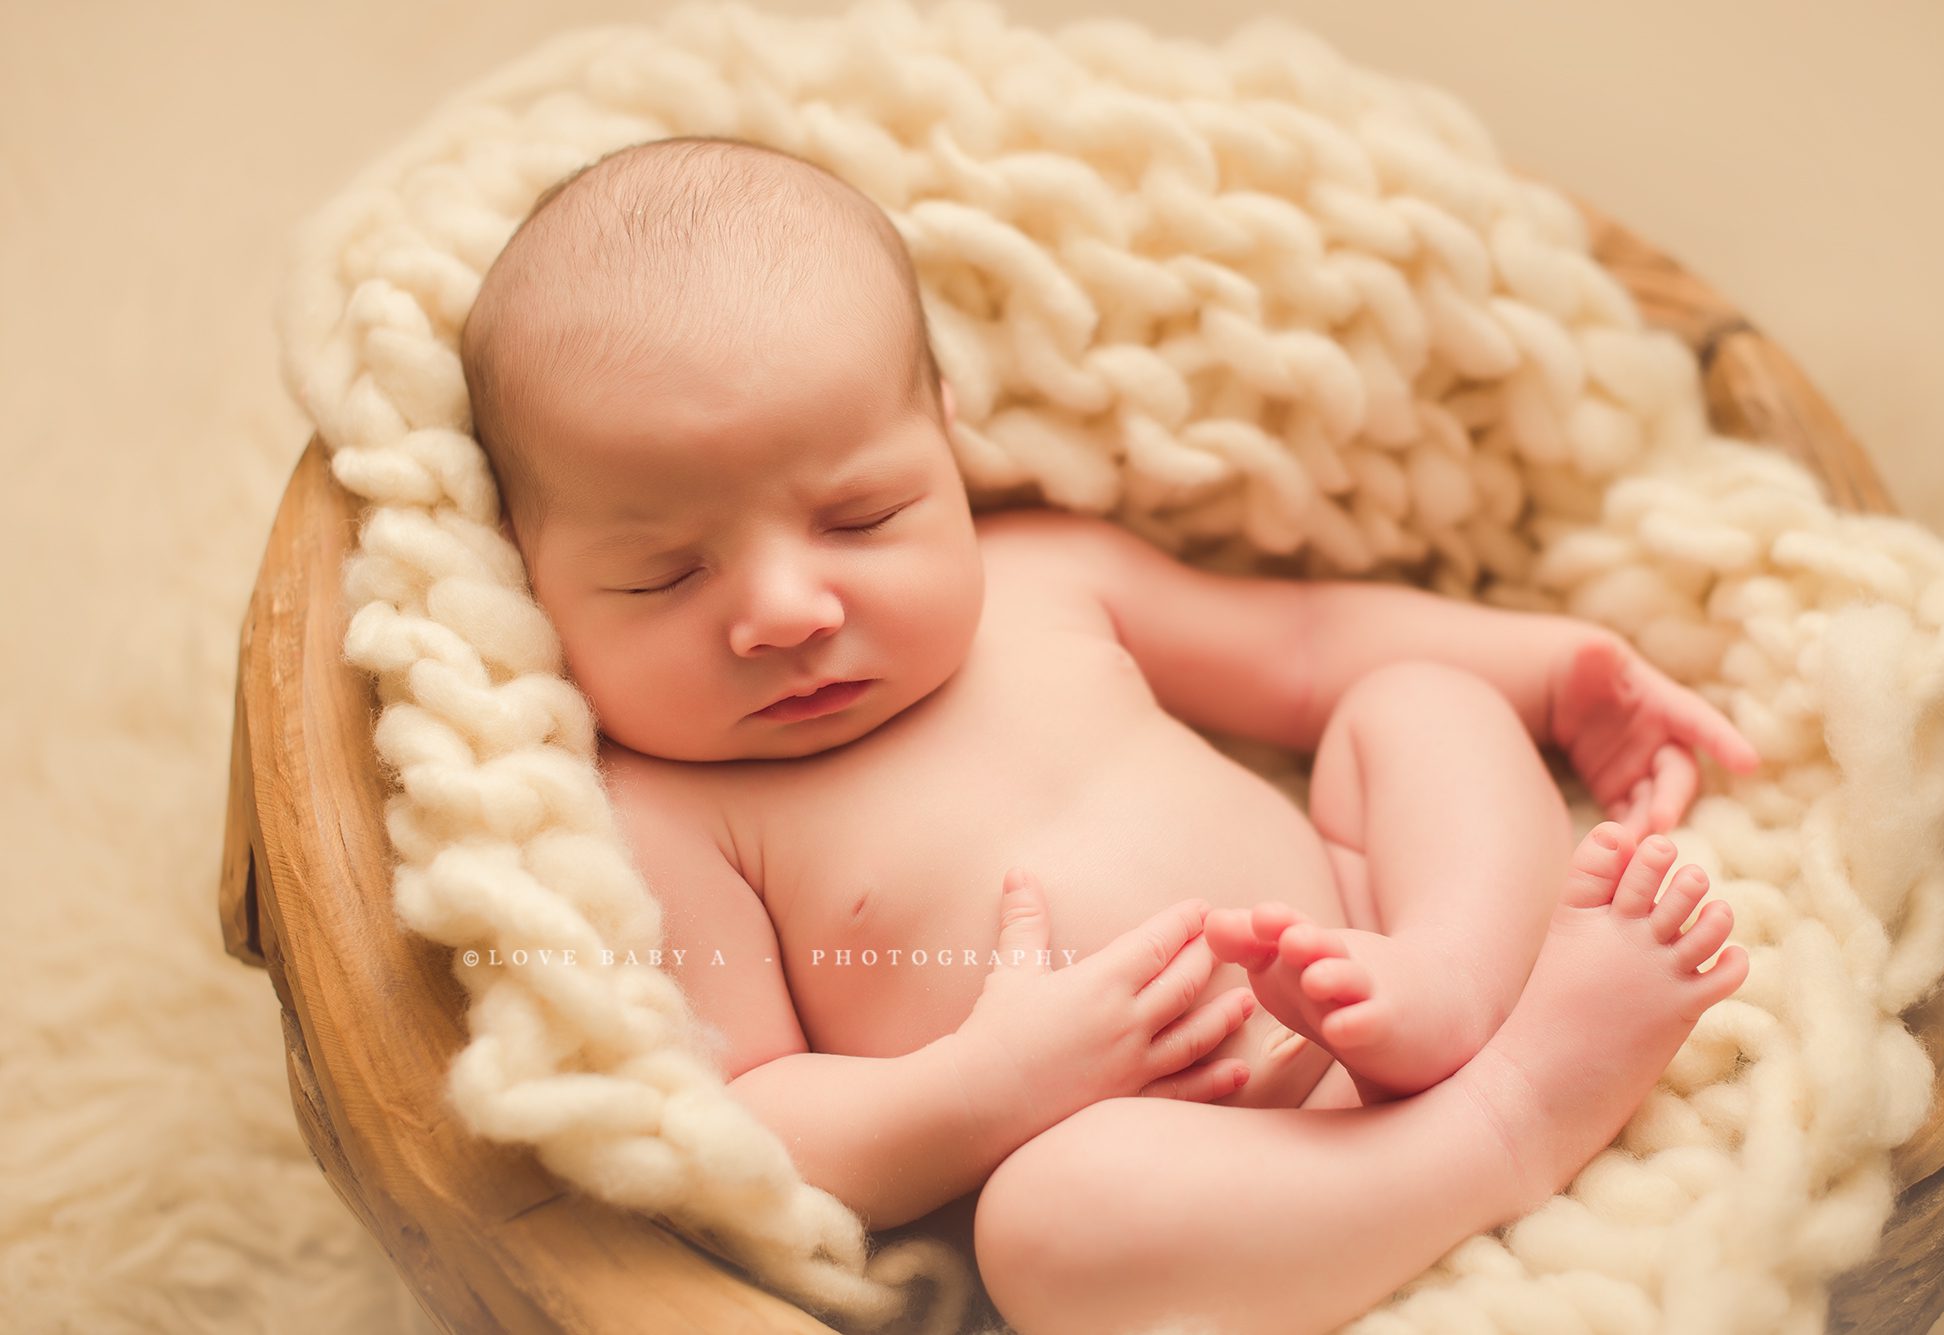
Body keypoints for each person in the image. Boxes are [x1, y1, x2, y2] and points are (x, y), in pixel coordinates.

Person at [457, 135, 1757, 1335]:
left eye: (858, 517)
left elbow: (1303, 649)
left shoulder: (1040, 576)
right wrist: (991, 1083)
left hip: (1364, 930)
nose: (789, 613)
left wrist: (1549, 673)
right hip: (1185, 1160)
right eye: (665, 577)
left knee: (1418, 704)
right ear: (531, 571)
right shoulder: (669, 808)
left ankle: (1458, 984)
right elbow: (753, 1117)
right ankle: (1514, 1113)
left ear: (946, 442)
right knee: (1048, 1234)